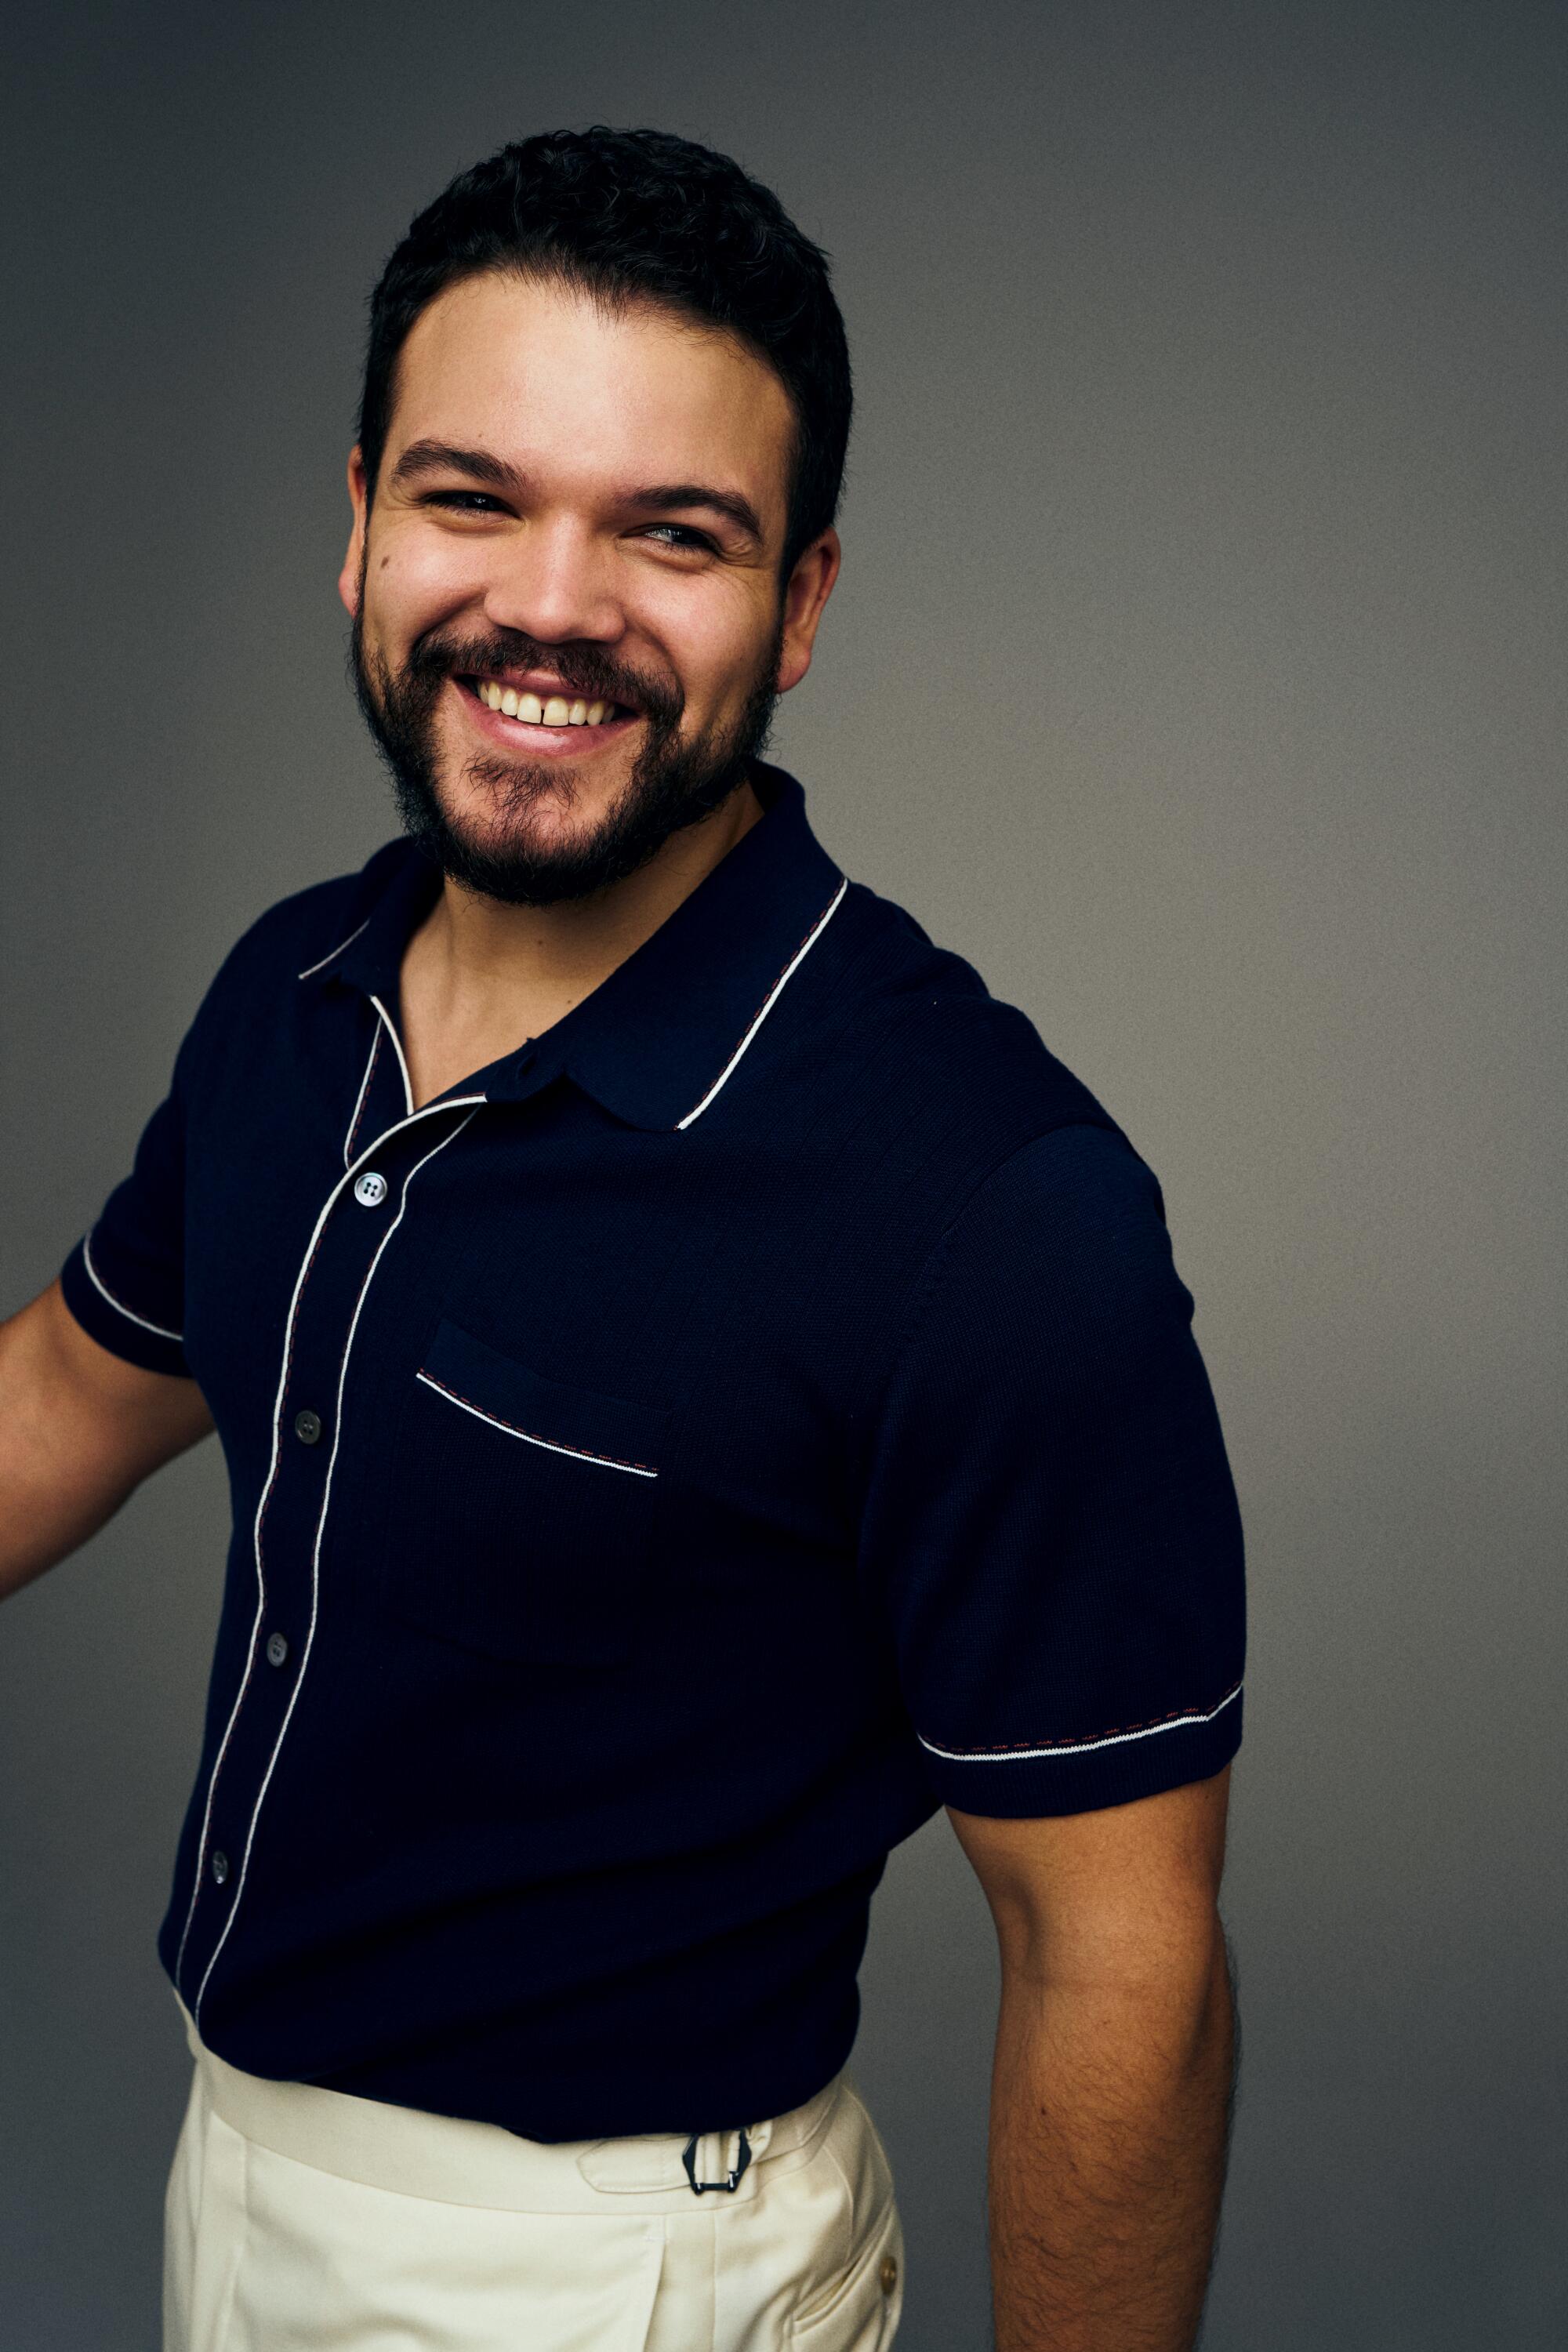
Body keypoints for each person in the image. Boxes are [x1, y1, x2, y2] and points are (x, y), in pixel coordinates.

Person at [0, 126, 1246, 2352]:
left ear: (804, 602)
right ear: (361, 521)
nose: (553, 605)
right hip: (238, 2178)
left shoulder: (984, 1200)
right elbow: (58, 1400)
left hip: (618, 2280)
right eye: (474, 497)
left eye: (674, 534)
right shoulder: (296, 999)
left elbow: (1117, 1963)